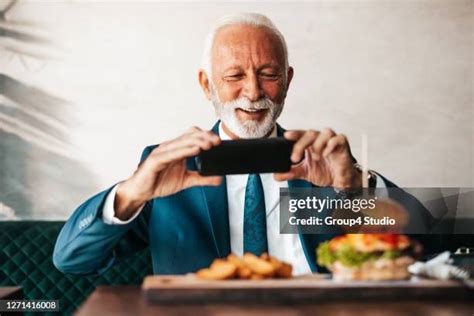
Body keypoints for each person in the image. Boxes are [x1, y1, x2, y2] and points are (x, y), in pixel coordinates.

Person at [53, 13, 431, 276]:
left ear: (287, 80)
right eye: (234, 75)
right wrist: (133, 192)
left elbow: (434, 246)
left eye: (268, 75)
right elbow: (72, 260)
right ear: (207, 84)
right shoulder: (168, 169)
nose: (252, 92)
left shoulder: (323, 163)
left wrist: (358, 187)